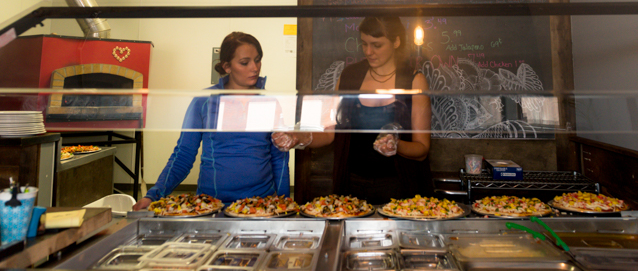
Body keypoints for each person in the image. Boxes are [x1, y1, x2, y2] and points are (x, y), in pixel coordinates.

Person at [273, 16, 432, 204]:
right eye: (364, 44)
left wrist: (396, 144)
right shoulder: (349, 76)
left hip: (398, 186)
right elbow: (329, 131)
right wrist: (299, 137)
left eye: (376, 45)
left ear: (396, 42)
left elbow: (422, 149)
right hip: (352, 183)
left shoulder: (414, 80)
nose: (368, 51)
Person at [133, 32, 289, 210]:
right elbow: (183, 155)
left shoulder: (269, 102)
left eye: (258, 60)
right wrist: (154, 194)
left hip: (260, 206)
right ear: (227, 66)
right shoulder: (204, 101)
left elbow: (280, 158)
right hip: (213, 206)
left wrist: (283, 203)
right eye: (245, 63)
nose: (254, 68)